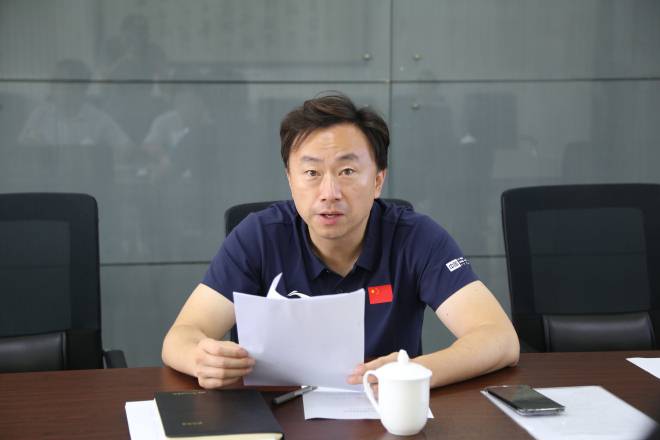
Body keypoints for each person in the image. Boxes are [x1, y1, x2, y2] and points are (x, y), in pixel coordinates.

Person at [162, 93, 519, 389]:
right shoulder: (258, 236)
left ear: (377, 181)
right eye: (311, 173)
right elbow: (181, 336)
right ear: (290, 180)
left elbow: (499, 338)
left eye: (347, 171)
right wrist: (201, 358)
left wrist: (412, 373)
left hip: (383, 415)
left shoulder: (416, 238)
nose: (329, 192)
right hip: (275, 415)